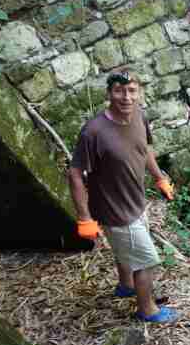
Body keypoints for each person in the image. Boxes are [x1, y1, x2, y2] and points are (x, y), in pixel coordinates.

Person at [68, 69, 179, 323]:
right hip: (114, 210)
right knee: (147, 261)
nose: (126, 97)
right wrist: (84, 217)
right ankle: (147, 310)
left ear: (138, 93)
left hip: (136, 200)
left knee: (126, 250)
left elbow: (145, 149)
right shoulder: (93, 132)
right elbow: (74, 174)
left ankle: (126, 285)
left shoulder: (139, 116)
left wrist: (159, 177)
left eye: (131, 91)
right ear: (109, 94)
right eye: (119, 91)